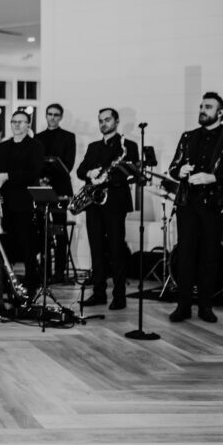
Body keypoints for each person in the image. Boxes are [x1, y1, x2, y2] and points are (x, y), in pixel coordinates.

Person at [167, 92, 223, 323]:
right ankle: (183, 306)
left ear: (220, 112)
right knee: (185, 253)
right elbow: (173, 167)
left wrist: (213, 178)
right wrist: (178, 171)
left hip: (215, 205)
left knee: (209, 256)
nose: (202, 109)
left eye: (208, 107)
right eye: (201, 106)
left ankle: (205, 306)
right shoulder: (187, 137)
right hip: (188, 203)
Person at [76, 108, 139, 310]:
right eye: (100, 120)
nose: (103, 123)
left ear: (117, 121)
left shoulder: (128, 145)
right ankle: (99, 292)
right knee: (96, 249)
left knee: (116, 249)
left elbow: (130, 173)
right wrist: (89, 172)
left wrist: (106, 176)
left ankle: (119, 296)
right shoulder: (94, 146)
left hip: (115, 203)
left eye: (107, 120)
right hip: (94, 203)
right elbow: (80, 171)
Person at [0, 110, 45, 293]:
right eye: (14, 121)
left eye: (21, 122)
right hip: (4, 204)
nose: (16, 125)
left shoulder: (35, 146)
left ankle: (31, 285)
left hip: (25, 204)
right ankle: (6, 284)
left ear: (28, 124)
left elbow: (34, 173)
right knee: (5, 247)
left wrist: (7, 176)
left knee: (27, 246)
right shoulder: (2, 147)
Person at [35, 103, 76, 281]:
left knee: (59, 230)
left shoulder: (68, 137)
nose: (52, 117)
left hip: (60, 189)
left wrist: (48, 177)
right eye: (49, 114)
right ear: (45, 115)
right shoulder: (38, 137)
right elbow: (36, 163)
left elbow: (69, 164)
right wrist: (41, 178)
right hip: (42, 188)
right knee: (42, 230)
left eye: (56, 115)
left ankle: (59, 272)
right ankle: (44, 271)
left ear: (61, 117)